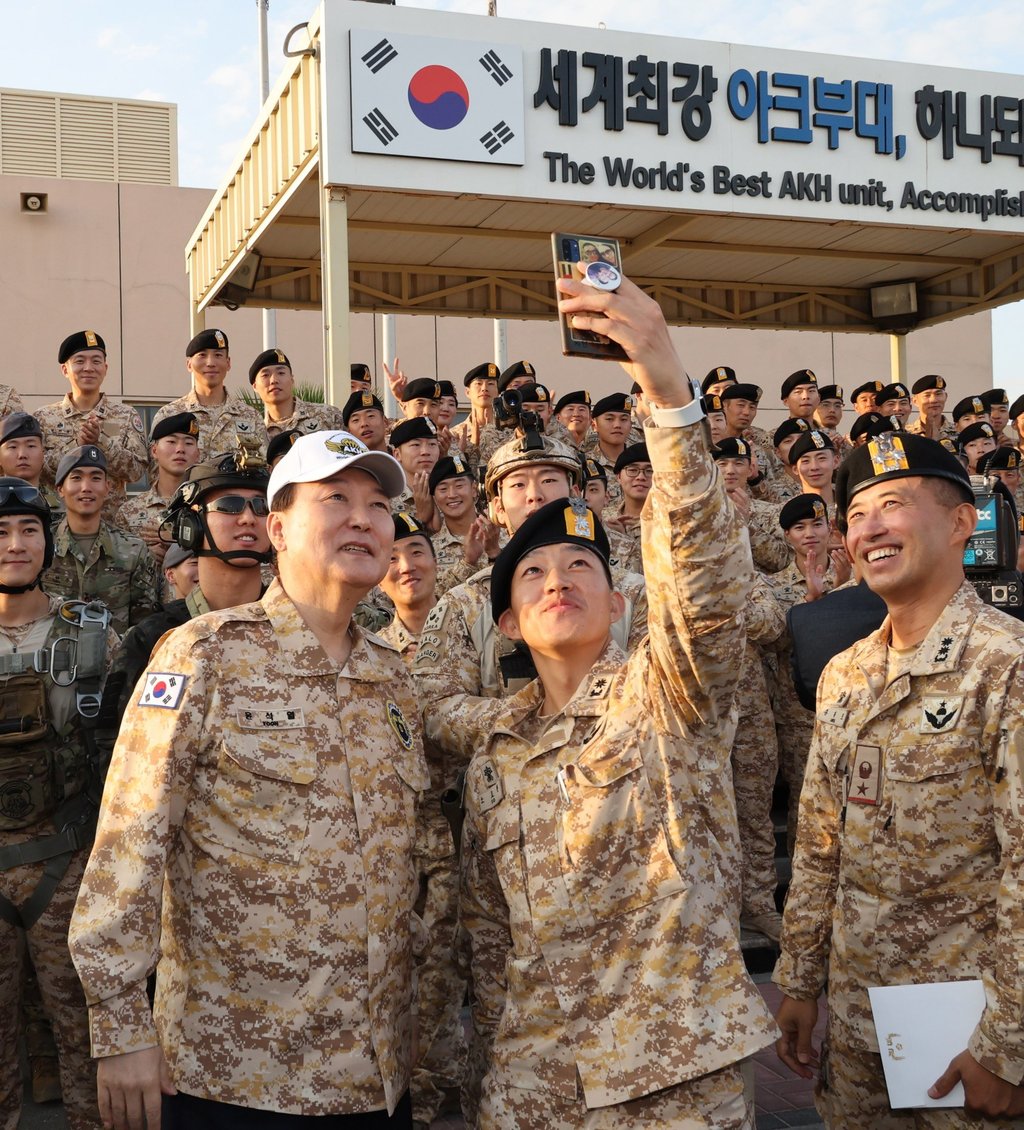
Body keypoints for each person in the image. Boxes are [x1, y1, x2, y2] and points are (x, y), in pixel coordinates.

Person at [436, 266, 777, 1126]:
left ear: (620, 602)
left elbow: (703, 585)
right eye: (535, 574)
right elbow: (489, 942)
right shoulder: (498, 755)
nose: (558, 581)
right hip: (531, 1084)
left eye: (581, 567)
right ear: (506, 622)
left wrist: (665, 386)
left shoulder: (667, 697)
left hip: (669, 1079)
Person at [70, 430, 430, 1129]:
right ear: (276, 529)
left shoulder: (394, 681)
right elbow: (130, 838)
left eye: (378, 504)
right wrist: (120, 1027)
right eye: (335, 499)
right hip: (234, 1078)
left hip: (373, 1077)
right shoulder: (204, 653)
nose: (363, 517)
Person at [774, 431, 1024, 1126]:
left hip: (968, 1035)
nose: (869, 529)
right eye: (854, 515)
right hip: (859, 1034)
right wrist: (797, 980)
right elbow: (821, 840)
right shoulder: (846, 674)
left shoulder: (1005, 667)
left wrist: (1009, 1045)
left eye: (892, 504)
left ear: (959, 522)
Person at [0, 478, 116, 1130]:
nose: (15, 545)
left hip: (66, 862)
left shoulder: (92, 632)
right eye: (0, 532)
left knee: (85, 1039)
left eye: (28, 530)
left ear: (47, 541)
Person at [94, 448, 274, 763]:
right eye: (229, 506)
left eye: (261, 507)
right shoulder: (154, 641)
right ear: (191, 523)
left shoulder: (300, 628)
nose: (248, 518)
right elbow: (117, 756)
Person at [44, 446, 160, 636]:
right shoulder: (42, 548)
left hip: (115, 661)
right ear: (60, 489)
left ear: (108, 487)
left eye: (96, 478)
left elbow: (145, 625)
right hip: (53, 659)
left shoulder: (133, 550)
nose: (86, 487)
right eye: (76, 478)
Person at [36, 331, 148, 513]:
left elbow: (137, 472)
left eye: (96, 361)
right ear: (65, 369)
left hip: (111, 527)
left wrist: (102, 442)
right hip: (56, 525)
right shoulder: (43, 417)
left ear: (105, 368)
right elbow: (36, 471)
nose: (88, 368)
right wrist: (76, 446)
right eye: (79, 361)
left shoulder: (126, 415)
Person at [151, 329, 267, 459]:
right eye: (202, 355)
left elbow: (263, 466)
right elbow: (157, 470)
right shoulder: (169, 414)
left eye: (218, 355)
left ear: (228, 363)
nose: (211, 363)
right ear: (189, 364)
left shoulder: (250, 417)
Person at [114, 412, 201, 570]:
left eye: (188, 443)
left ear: (197, 454)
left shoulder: (208, 508)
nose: (180, 449)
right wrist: (144, 556)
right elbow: (117, 568)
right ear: (154, 451)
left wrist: (179, 540)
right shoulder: (128, 512)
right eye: (172, 442)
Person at [249, 348, 345, 437]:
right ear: (255, 386)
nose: (274, 380)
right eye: (265, 375)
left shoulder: (327, 416)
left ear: (292, 379)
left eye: (281, 373)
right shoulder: (255, 431)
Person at [0, 412, 63, 515]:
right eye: (13, 447)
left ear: (43, 453)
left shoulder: (62, 504)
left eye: (31, 446)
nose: (22, 455)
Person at [906, 374, 956, 441]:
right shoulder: (906, 434)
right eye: (927, 395)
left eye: (938, 394)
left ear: (946, 397)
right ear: (915, 401)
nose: (934, 400)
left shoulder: (959, 432)